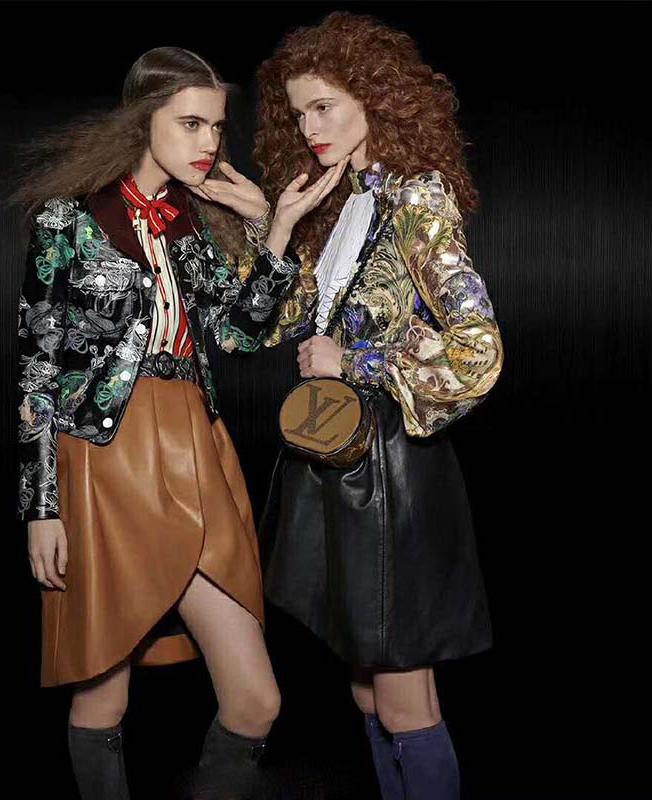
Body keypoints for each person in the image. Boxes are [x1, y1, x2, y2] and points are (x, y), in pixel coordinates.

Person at [12, 46, 347, 799]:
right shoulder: (68, 220)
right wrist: (41, 508)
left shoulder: (190, 225)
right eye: (190, 123)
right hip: (107, 459)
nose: (208, 142)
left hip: (197, 445)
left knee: (256, 700)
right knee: (103, 694)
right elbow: (37, 371)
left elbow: (241, 334)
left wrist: (276, 229)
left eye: (216, 127)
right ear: (143, 121)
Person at [254, 12, 504, 800]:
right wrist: (277, 227)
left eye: (324, 106)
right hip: (339, 468)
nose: (309, 127)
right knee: (366, 690)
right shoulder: (340, 206)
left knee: (401, 698)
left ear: (376, 98)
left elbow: (478, 350)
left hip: (393, 476)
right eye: (298, 112)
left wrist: (354, 361)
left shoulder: (416, 197)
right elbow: (270, 325)